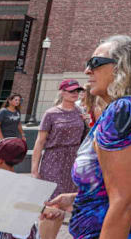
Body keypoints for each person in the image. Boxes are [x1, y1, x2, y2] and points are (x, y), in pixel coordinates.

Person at [45, 35, 131, 238]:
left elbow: (125, 200)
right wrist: (78, 199)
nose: (87, 70)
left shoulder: (123, 110)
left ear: (123, 68)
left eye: (95, 62)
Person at [31, 79, 87, 239]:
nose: (75, 93)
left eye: (77, 91)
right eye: (71, 91)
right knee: (52, 204)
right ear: (62, 92)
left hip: (74, 160)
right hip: (53, 160)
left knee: (68, 202)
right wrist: (34, 169)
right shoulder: (51, 113)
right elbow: (40, 142)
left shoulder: (81, 112)